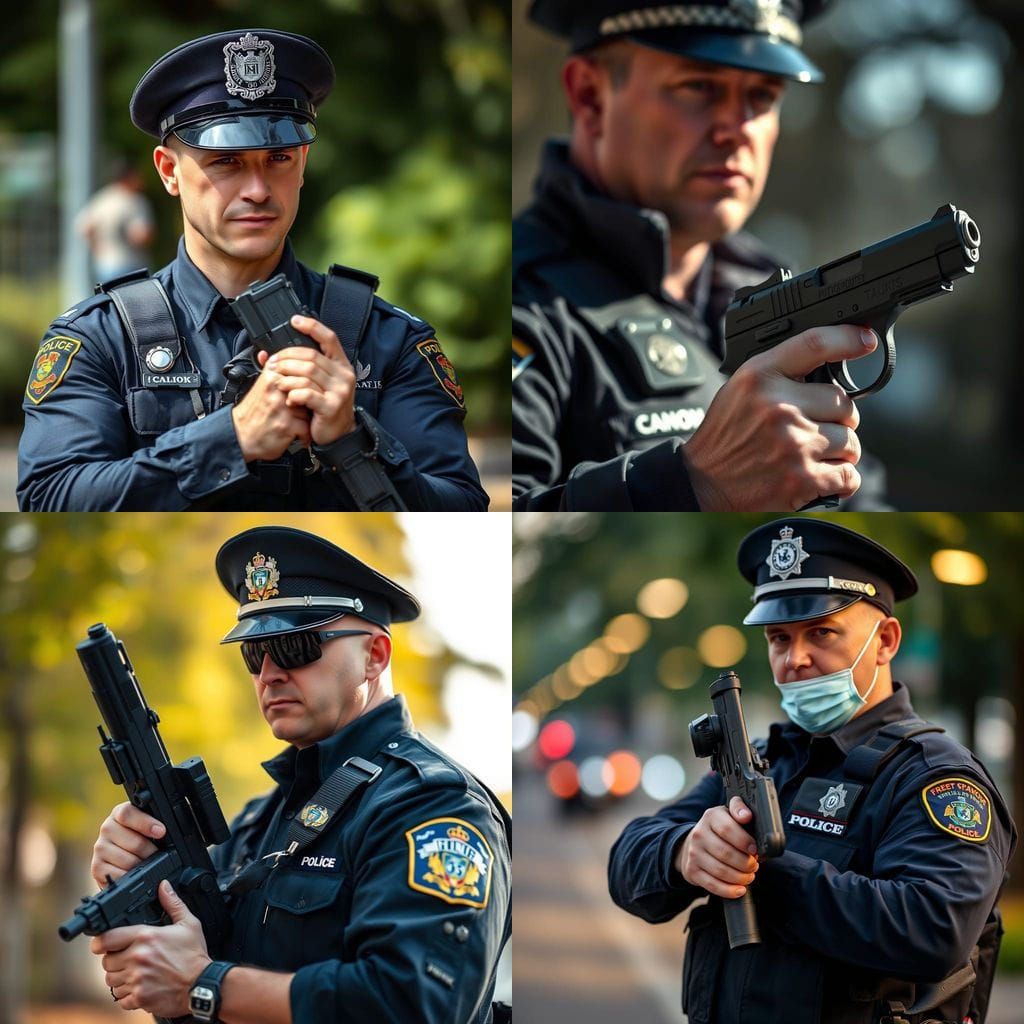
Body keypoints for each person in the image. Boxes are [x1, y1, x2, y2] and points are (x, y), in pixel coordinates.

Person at [19, 29, 486, 511]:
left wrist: (350, 442)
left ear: (302, 162)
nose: (259, 189)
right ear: (168, 171)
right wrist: (230, 439)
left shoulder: (386, 338)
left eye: (278, 158)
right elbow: (50, 497)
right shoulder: (100, 338)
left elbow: (464, 508)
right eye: (227, 162)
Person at [88, 525, 511, 1023]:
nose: (269, 673)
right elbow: (185, 977)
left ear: (374, 656)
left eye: (294, 648)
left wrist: (205, 986)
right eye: (253, 653)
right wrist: (139, 887)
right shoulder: (258, 823)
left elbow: (415, 1004)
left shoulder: (433, 807)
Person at [609, 518, 1016, 1024]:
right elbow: (627, 862)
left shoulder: (934, 777)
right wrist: (685, 852)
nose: (794, 659)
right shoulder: (767, 759)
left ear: (886, 641)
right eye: (779, 637)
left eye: (821, 632)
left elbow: (934, 929)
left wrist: (762, 867)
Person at [513, 0, 891, 511]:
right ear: (590, 97)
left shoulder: (776, 285)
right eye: (699, 87)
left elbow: (861, 496)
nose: (737, 128)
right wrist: (692, 482)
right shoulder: (520, 299)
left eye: (763, 95)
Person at [75, 158, 156, 281]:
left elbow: (84, 227)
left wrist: (97, 249)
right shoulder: (135, 201)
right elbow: (141, 235)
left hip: (105, 265)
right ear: (129, 178)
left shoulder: (104, 198)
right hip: (131, 265)